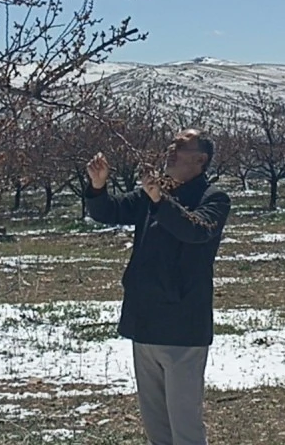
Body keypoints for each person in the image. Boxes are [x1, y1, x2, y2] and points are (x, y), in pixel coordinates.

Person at [84, 128, 232, 445]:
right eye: (171, 143)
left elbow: (196, 231)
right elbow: (109, 211)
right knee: (156, 429)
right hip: (145, 324)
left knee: (185, 429)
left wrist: (159, 200)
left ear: (200, 159)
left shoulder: (213, 199)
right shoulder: (151, 195)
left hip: (182, 328)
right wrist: (98, 187)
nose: (170, 149)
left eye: (180, 146)